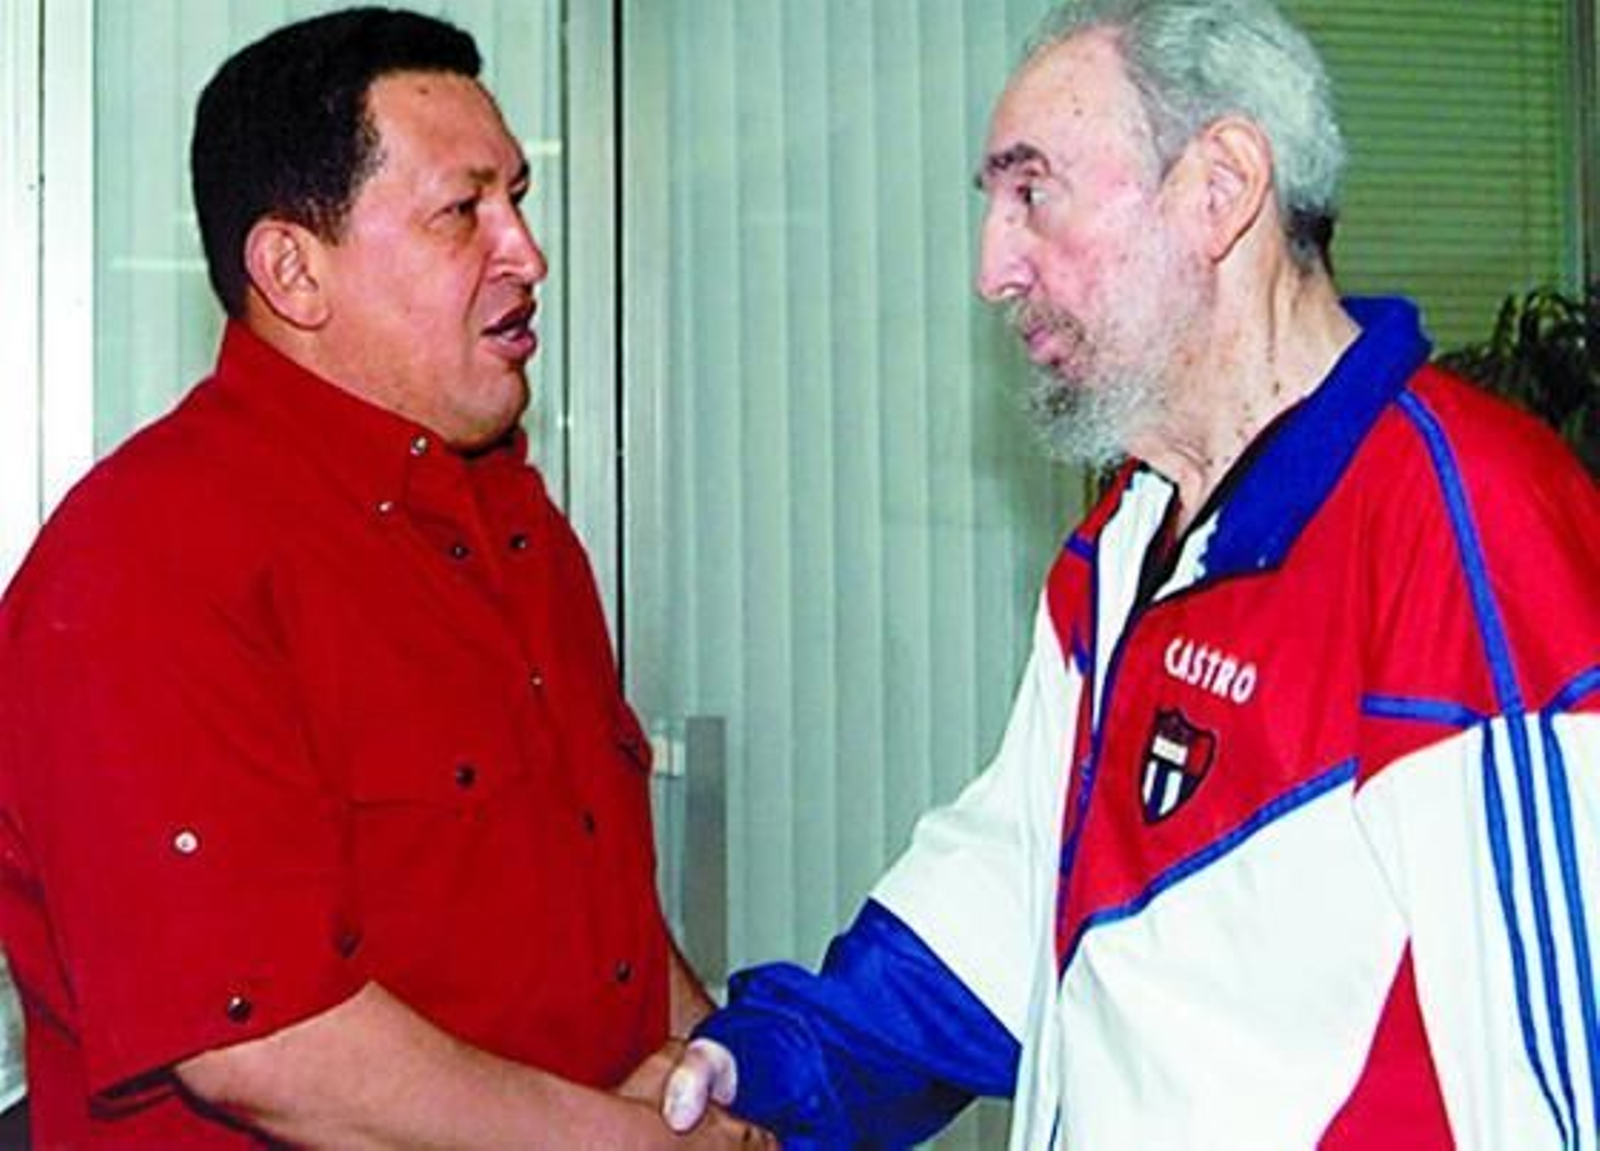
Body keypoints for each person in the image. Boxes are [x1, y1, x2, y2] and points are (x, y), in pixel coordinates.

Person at [661, 0, 1600, 1146]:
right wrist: (764, 1063)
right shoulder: (1124, 546)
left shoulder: (1465, 528)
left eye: (1032, 192)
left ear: (1218, 189)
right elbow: (1018, 908)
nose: (992, 269)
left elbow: (1561, 1077)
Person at [0, 7, 771, 1146]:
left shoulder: (514, 526)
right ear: (292, 270)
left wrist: (714, 1074)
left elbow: (594, 902)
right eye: (464, 211)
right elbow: (269, 1045)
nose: (528, 254)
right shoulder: (142, 565)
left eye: (518, 196)